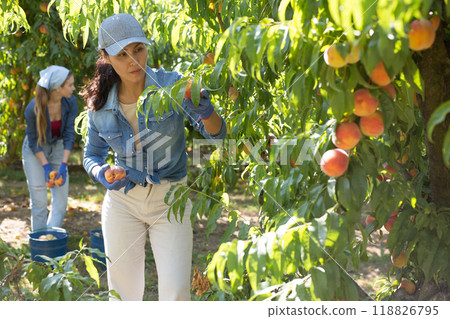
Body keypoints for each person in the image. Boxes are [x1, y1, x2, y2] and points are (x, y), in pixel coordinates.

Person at [80, 13, 226, 301]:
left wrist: (206, 111)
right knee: (123, 294)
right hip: (123, 201)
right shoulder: (99, 105)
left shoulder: (173, 87)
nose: (133, 61)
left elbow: (218, 137)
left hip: (170, 199)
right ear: (105, 57)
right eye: (121, 54)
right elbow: (92, 155)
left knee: (175, 294)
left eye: (138, 49)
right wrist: (101, 172)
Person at [22, 66, 77, 231]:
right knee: (39, 201)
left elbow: (69, 134)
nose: (74, 88)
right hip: (35, 150)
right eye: (70, 85)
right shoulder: (33, 108)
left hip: (59, 146)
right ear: (58, 88)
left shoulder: (70, 102)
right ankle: (39, 245)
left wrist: (64, 164)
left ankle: (51, 241)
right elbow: (33, 141)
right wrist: (45, 166)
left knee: (60, 203)